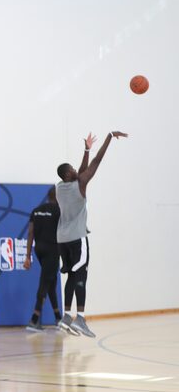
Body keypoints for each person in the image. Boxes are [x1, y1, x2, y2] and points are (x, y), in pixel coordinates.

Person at [55, 130, 127, 337]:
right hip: (78, 238)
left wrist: (86, 148)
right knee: (81, 276)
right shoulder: (80, 184)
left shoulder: (60, 187)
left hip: (62, 240)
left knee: (71, 275)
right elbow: (96, 162)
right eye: (72, 169)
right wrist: (109, 137)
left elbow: (81, 171)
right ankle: (81, 319)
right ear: (69, 174)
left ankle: (67, 316)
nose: (76, 170)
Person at [23, 187, 62, 332]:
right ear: (58, 197)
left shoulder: (36, 210)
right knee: (45, 282)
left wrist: (28, 256)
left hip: (39, 250)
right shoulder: (59, 211)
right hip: (52, 250)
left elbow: (30, 232)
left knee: (51, 281)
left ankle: (58, 318)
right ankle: (34, 320)